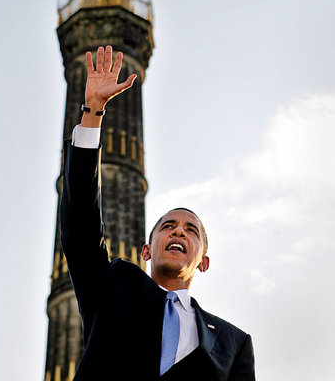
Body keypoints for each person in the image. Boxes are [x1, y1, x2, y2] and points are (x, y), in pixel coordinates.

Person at [61, 45, 256, 380]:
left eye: (191, 230)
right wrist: (93, 111)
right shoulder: (115, 287)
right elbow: (80, 226)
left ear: (203, 262)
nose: (179, 231)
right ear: (147, 251)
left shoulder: (233, 342)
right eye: (168, 225)